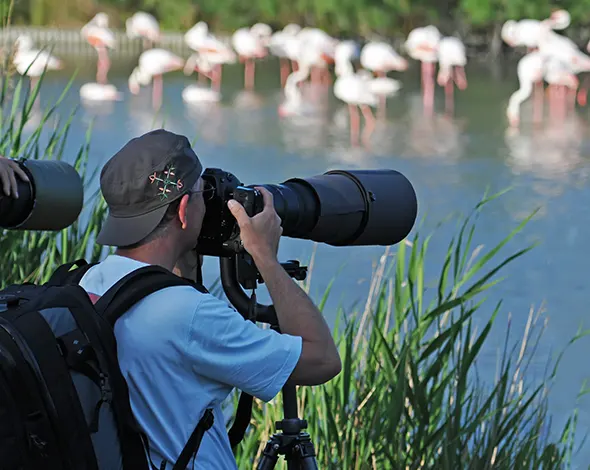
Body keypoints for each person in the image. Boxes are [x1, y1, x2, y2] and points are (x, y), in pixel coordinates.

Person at [78, 129, 341, 469]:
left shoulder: (88, 283)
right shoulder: (188, 315)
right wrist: (265, 257)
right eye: (204, 193)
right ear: (185, 210)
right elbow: (322, 360)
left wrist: (184, 268)